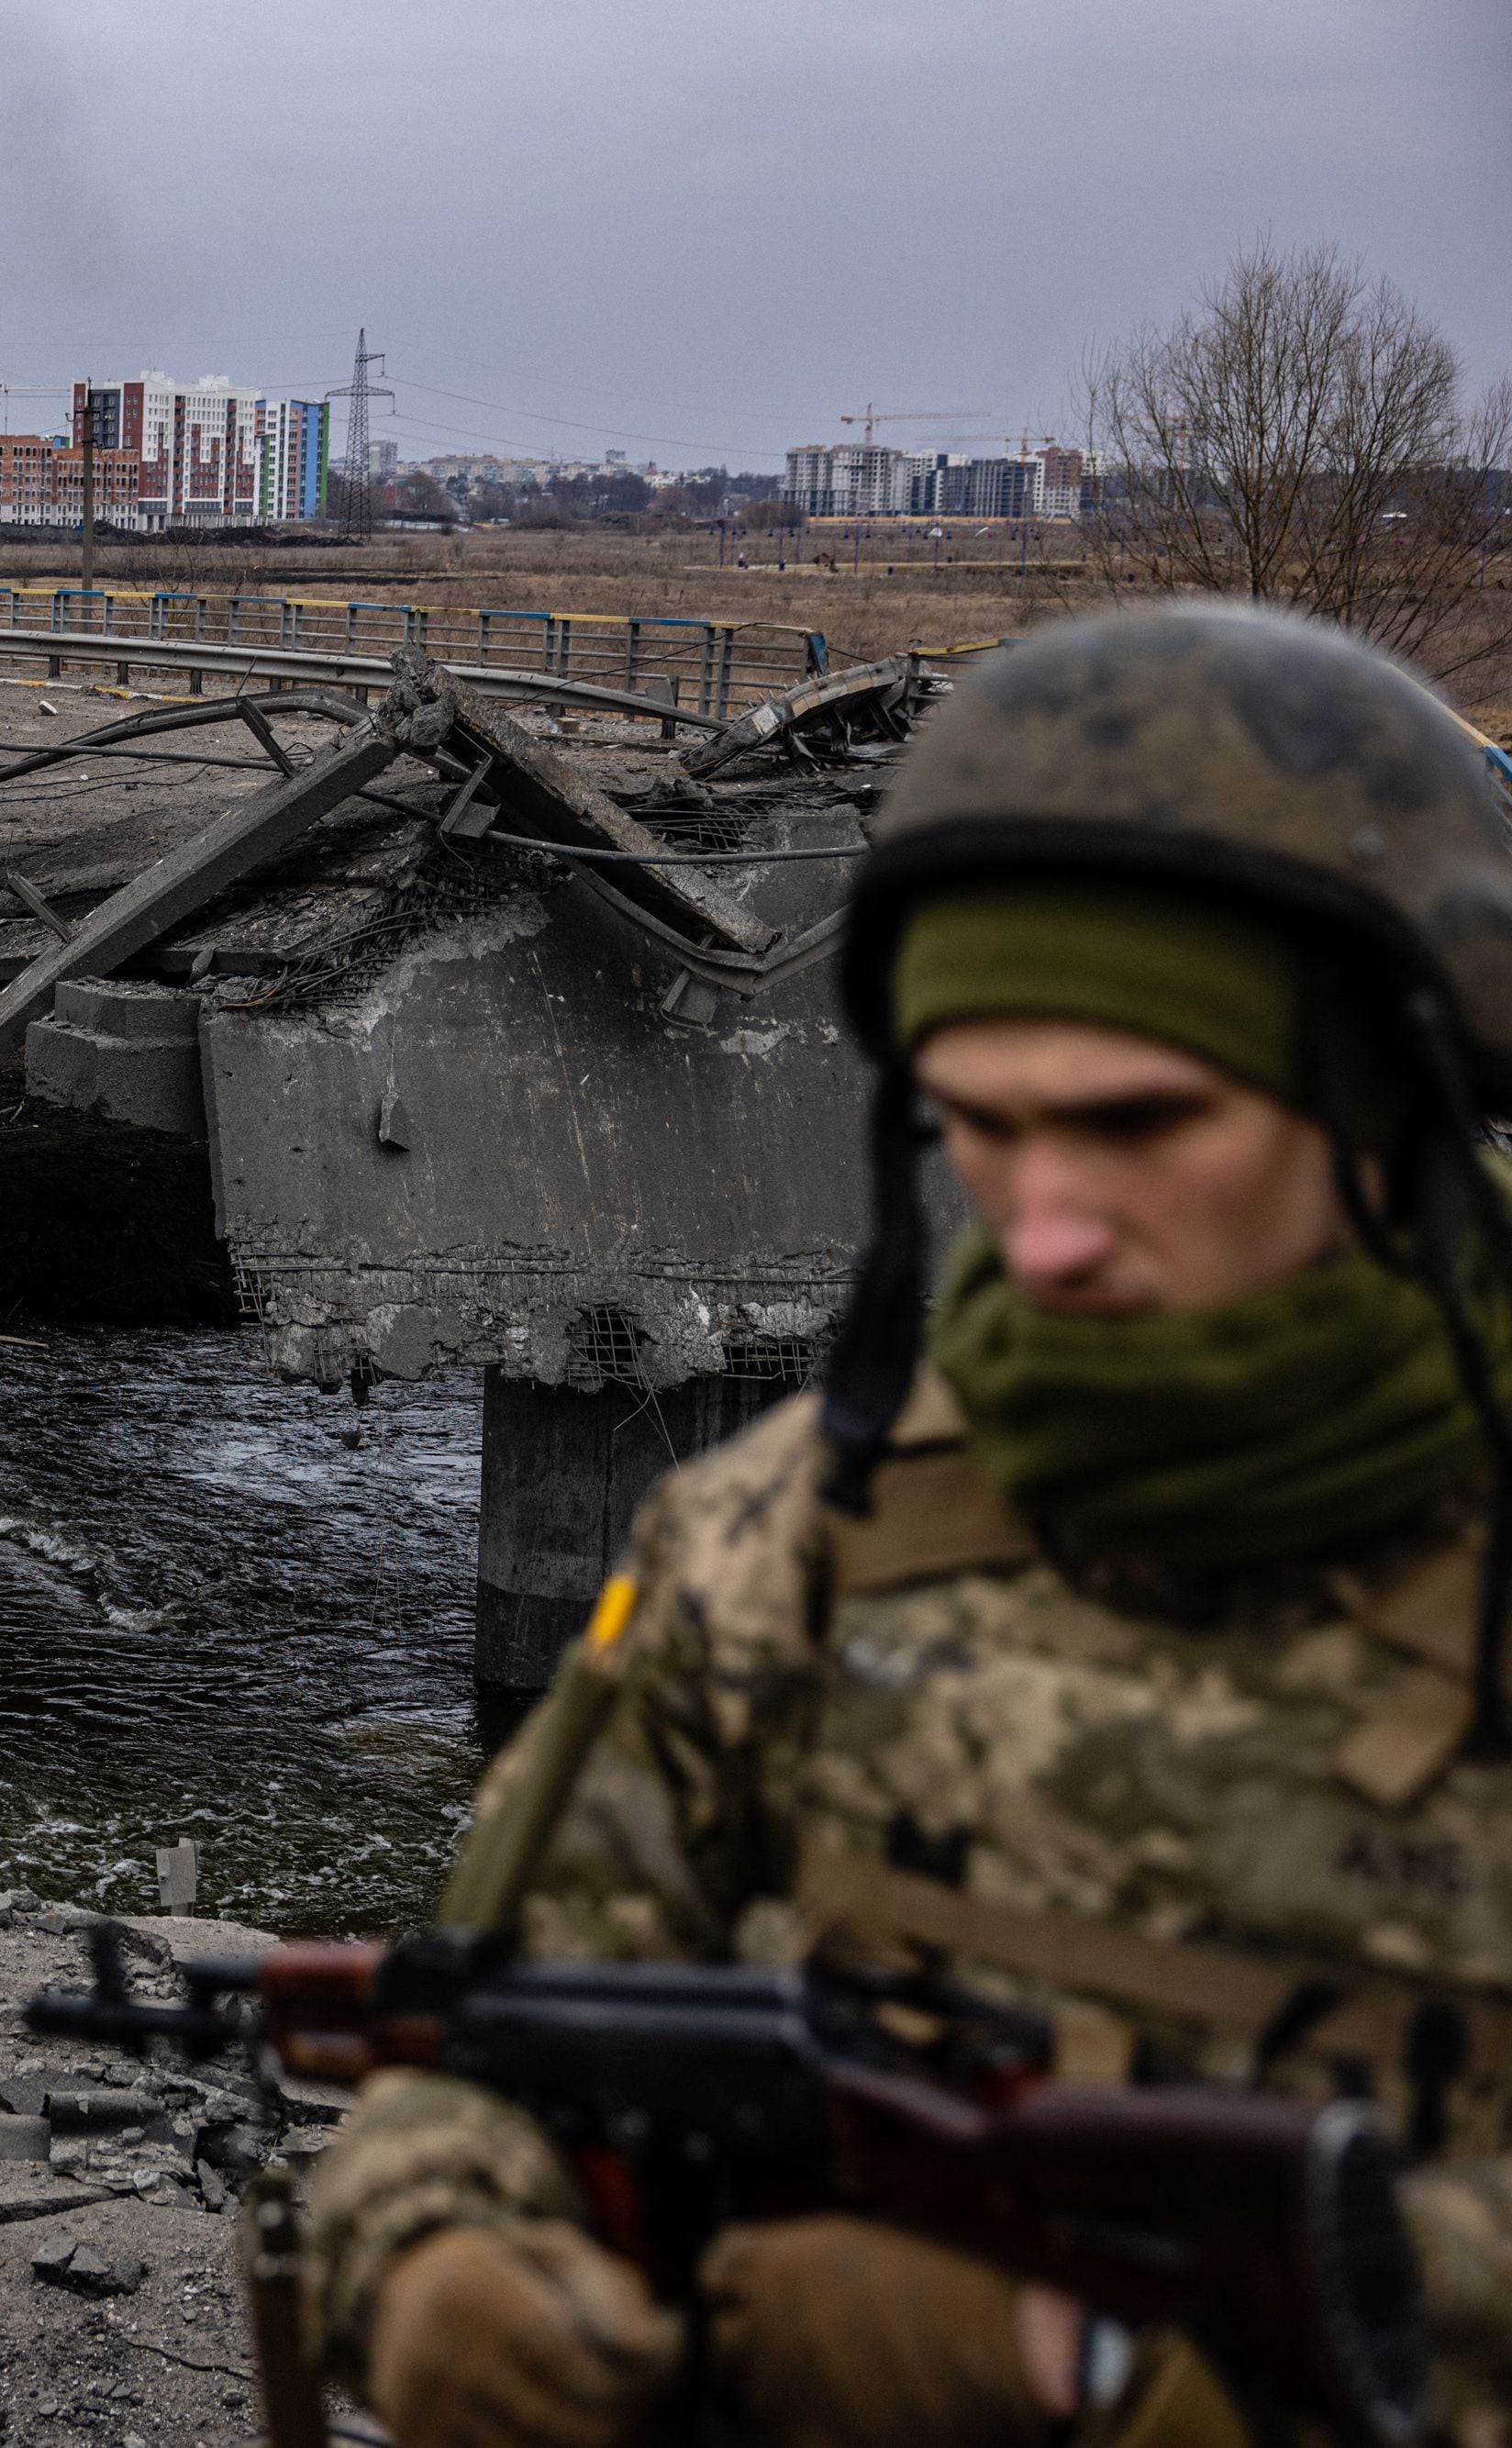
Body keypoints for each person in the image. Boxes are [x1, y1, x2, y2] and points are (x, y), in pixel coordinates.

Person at [298, 604, 1512, 2448]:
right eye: (977, 1128)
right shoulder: (784, 1544)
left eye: (1134, 1120)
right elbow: (497, 2031)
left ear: (1384, 1096)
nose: (1039, 1225)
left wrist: (1097, 2363)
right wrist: (436, 2256)